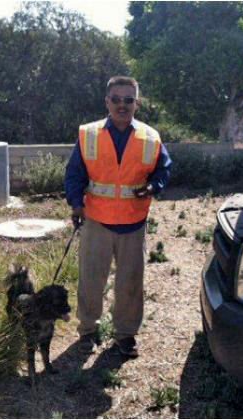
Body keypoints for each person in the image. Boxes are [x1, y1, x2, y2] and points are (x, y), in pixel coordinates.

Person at [64, 76, 172, 358]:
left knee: (130, 282)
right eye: (116, 99)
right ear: (107, 102)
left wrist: (152, 186)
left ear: (137, 103)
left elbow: (164, 170)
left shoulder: (151, 137)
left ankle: (125, 334)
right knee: (91, 280)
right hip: (96, 221)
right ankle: (88, 331)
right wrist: (76, 204)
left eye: (128, 100)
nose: (122, 105)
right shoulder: (89, 134)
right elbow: (75, 173)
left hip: (133, 224)